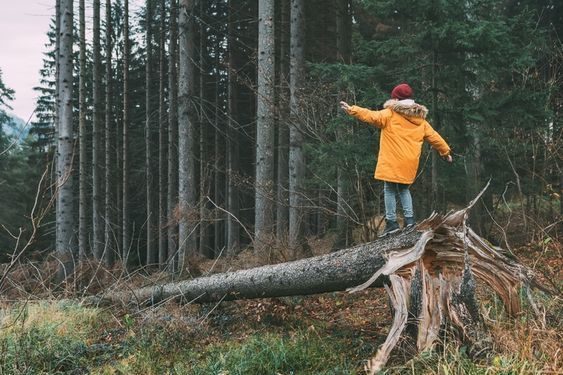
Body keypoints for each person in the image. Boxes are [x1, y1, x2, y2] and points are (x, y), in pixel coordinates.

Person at [340, 83, 452, 237]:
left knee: (389, 189)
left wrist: (352, 109)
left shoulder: (390, 114)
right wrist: (445, 152)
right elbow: (435, 137)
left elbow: (371, 115)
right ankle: (410, 220)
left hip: (393, 160)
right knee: (404, 189)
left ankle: (392, 223)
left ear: (396, 99)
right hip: (409, 162)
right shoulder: (421, 121)